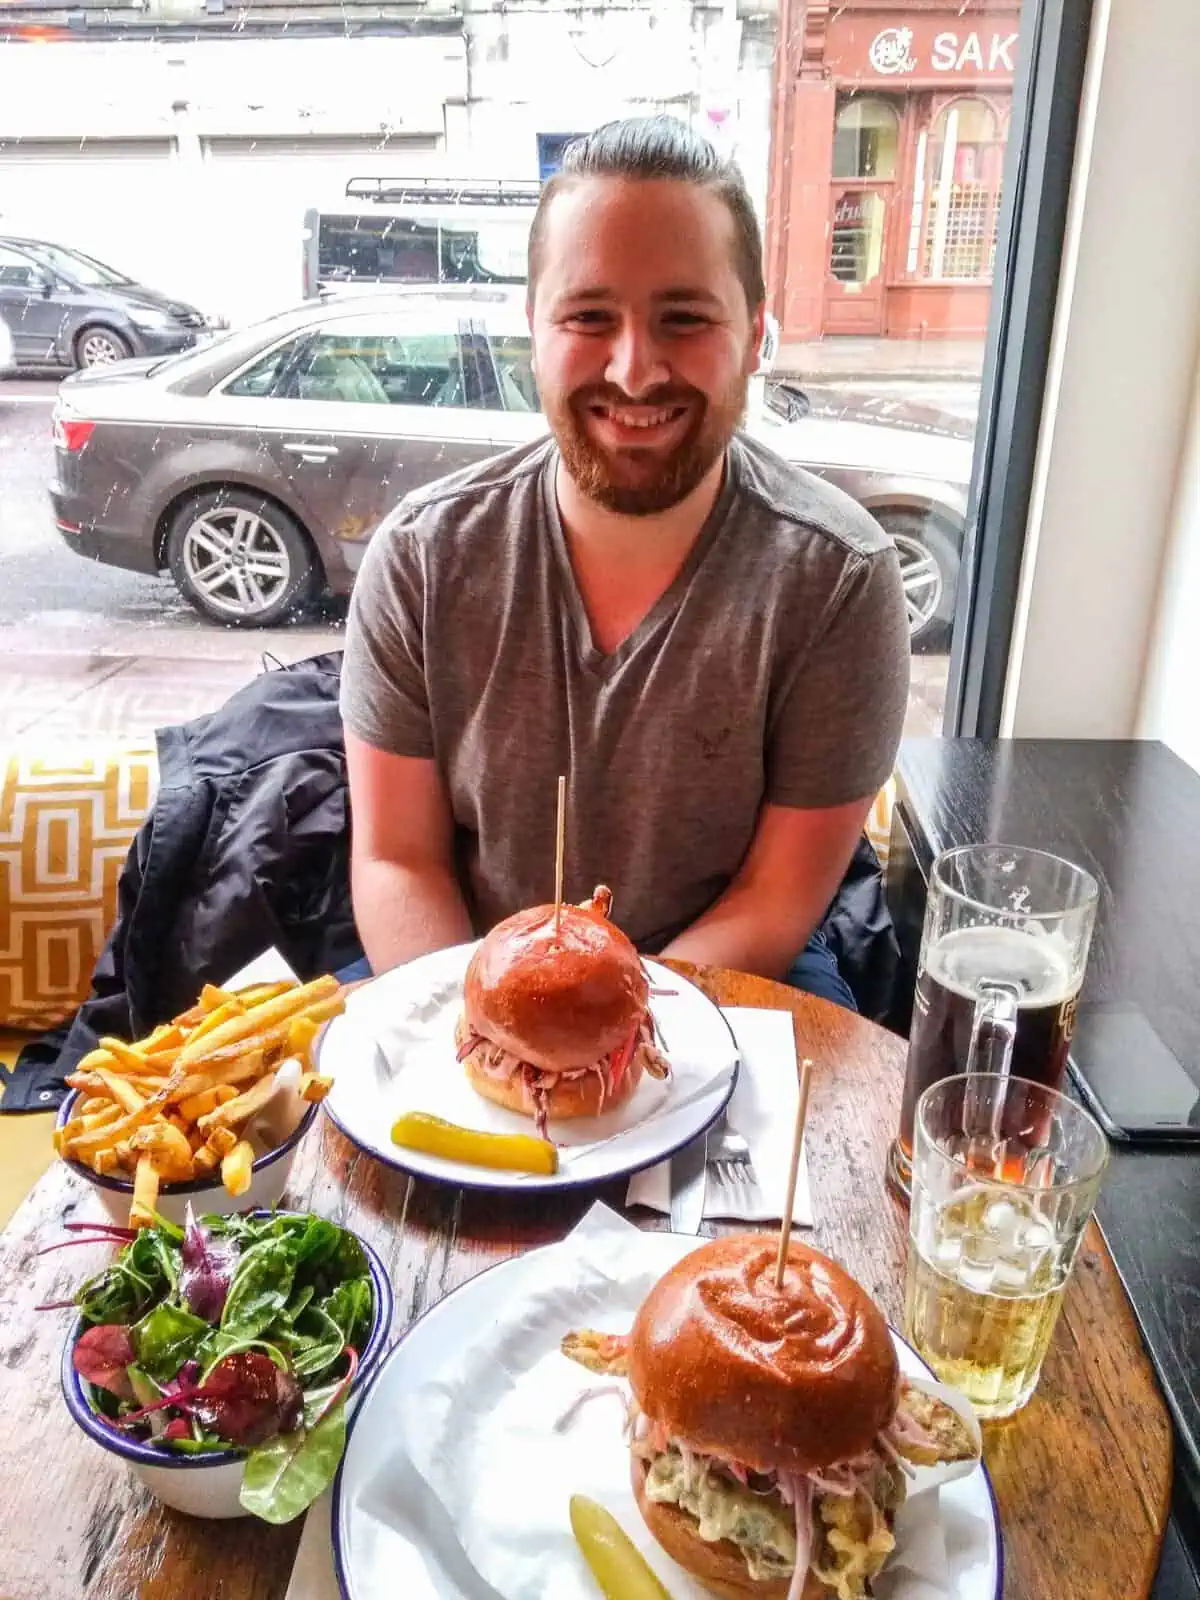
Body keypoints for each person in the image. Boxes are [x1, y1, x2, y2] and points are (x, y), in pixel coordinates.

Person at [338, 116, 909, 1009]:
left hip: (724, 972)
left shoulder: (836, 578)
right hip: (466, 974)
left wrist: (611, 1029)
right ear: (533, 329)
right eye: (589, 317)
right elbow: (396, 858)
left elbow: (778, 897)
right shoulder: (421, 558)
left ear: (756, 336)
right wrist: (486, 1033)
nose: (636, 371)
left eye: (684, 319)